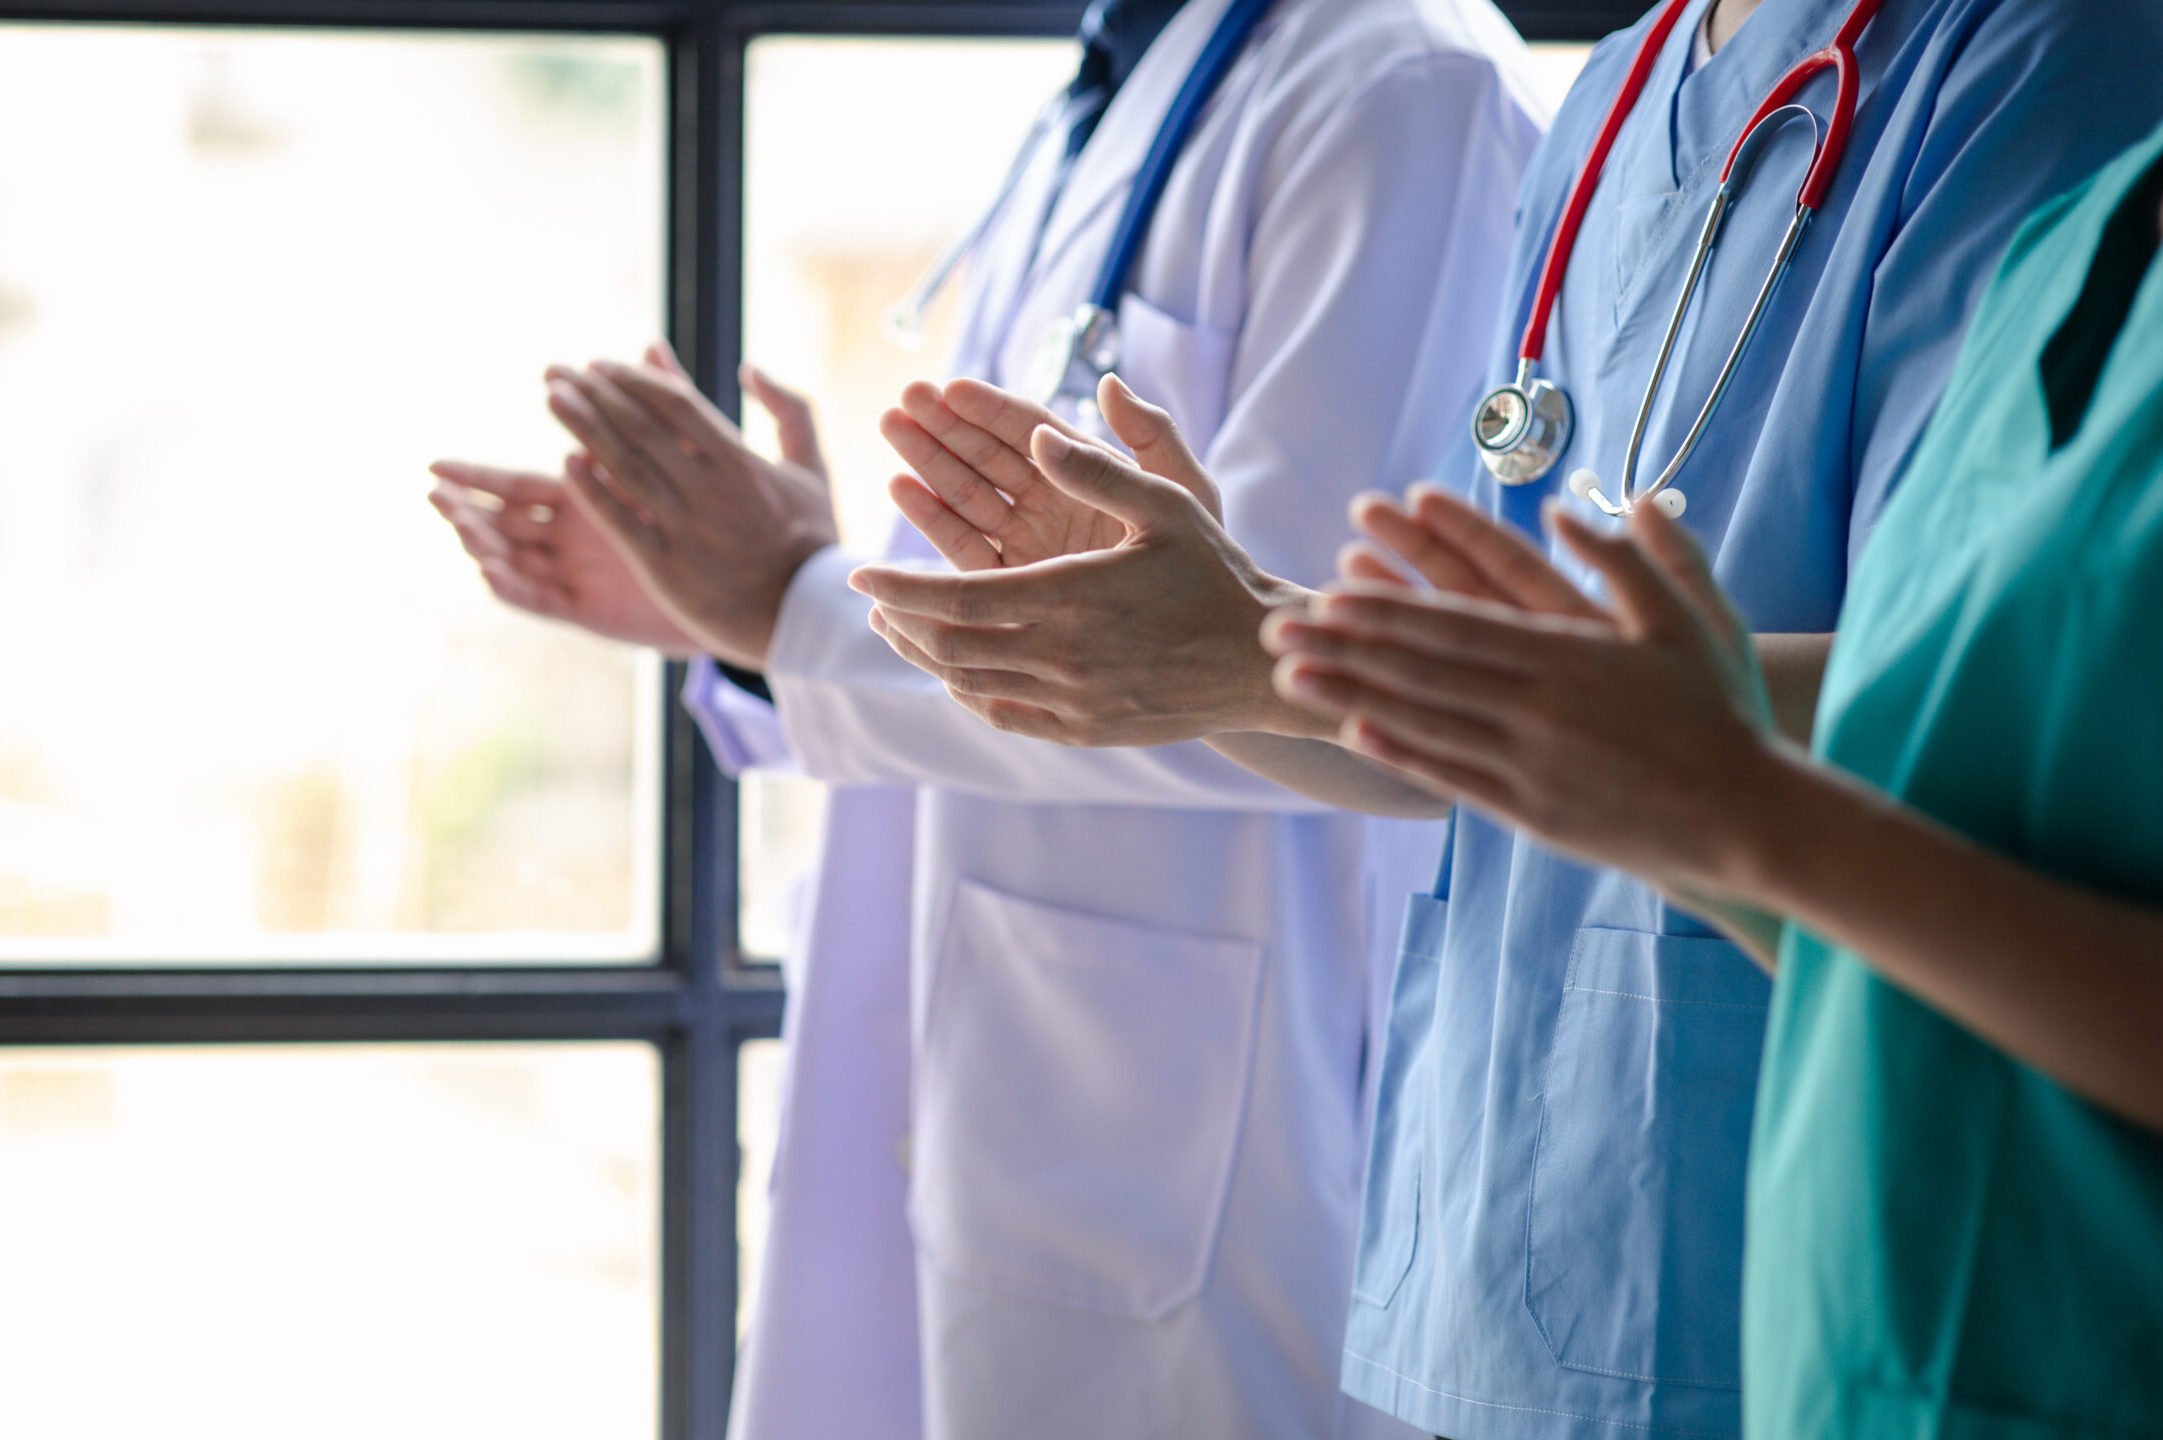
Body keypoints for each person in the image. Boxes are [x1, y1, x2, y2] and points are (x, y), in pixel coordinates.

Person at [849, 1, 2163, 1437]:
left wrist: (1273, 641)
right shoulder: (1617, 91)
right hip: (1512, 1219)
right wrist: (1226, 644)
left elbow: (1956, 703)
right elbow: (1521, 717)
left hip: (1794, 1210)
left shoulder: (2055, 65)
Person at [430, 0, 1548, 1435]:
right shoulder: (1117, 82)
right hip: (1037, 1117)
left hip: (1216, 1190)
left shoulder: (1404, 87)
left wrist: (794, 604)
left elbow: (1304, 680)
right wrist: (749, 621)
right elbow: (1042, 611)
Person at [1263, 117, 2163, 1439]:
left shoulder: (2048, 105)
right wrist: (1641, 788)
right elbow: (1924, 845)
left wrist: (1740, 817)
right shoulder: (2075, 243)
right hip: (1853, 1357)